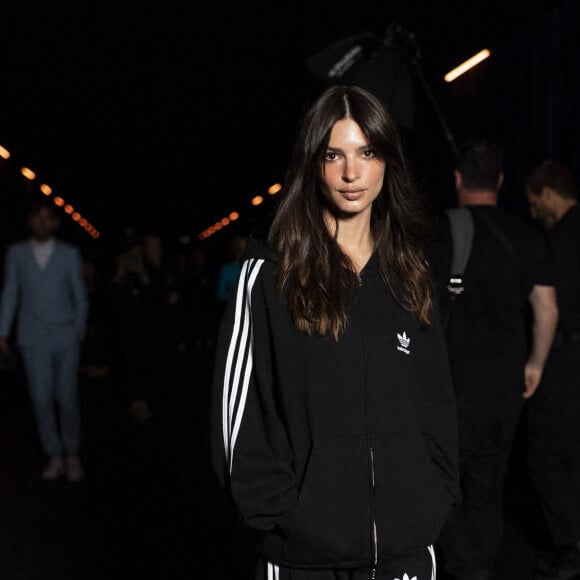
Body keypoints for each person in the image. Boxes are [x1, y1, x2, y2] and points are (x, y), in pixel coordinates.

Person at [210, 84, 460, 580]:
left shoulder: (412, 272)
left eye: (367, 152)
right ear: (313, 164)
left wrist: (433, 497)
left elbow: (437, 401)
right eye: (334, 154)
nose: (352, 173)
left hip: (405, 552)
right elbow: (236, 419)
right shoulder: (269, 276)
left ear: (387, 159)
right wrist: (282, 519)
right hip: (303, 557)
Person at [429, 141, 559, 580]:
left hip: (449, 382)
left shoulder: (438, 231)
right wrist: (536, 363)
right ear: (501, 182)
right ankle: (479, 564)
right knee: (489, 480)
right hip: (504, 384)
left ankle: (463, 564)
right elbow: (547, 308)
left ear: (458, 180)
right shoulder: (526, 235)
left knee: (443, 480)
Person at [0, 198, 89, 482]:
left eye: (47, 218)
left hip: (64, 335)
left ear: (55, 223)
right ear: (29, 221)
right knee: (40, 398)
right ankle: (54, 453)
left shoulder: (69, 254)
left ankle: (72, 452)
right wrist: (3, 331)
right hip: (32, 336)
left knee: (66, 395)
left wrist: (78, 329)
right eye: (36, 217)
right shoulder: (16, 253)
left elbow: (80, 295)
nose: (42, 222)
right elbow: (10, 292)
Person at [524, 159, 580, 580]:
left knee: (544, 453)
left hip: (565, 360)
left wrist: (536, 361)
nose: (531, 211)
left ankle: (570, 545)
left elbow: (550, 309)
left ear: (546, 193)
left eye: (532, 201)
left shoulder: (558, 241)